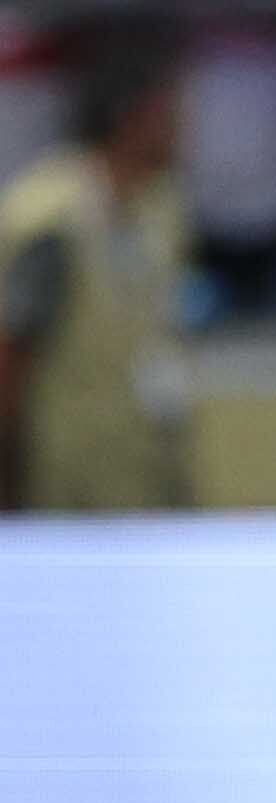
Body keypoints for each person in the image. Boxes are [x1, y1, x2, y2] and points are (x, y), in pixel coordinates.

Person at [0, 57, 193, 512]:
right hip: (66, 453)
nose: (182, 131)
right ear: (129, 119)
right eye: (166, 117)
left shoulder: (161, 205)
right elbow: (13, 349)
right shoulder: (51, 218)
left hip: (144, 443)